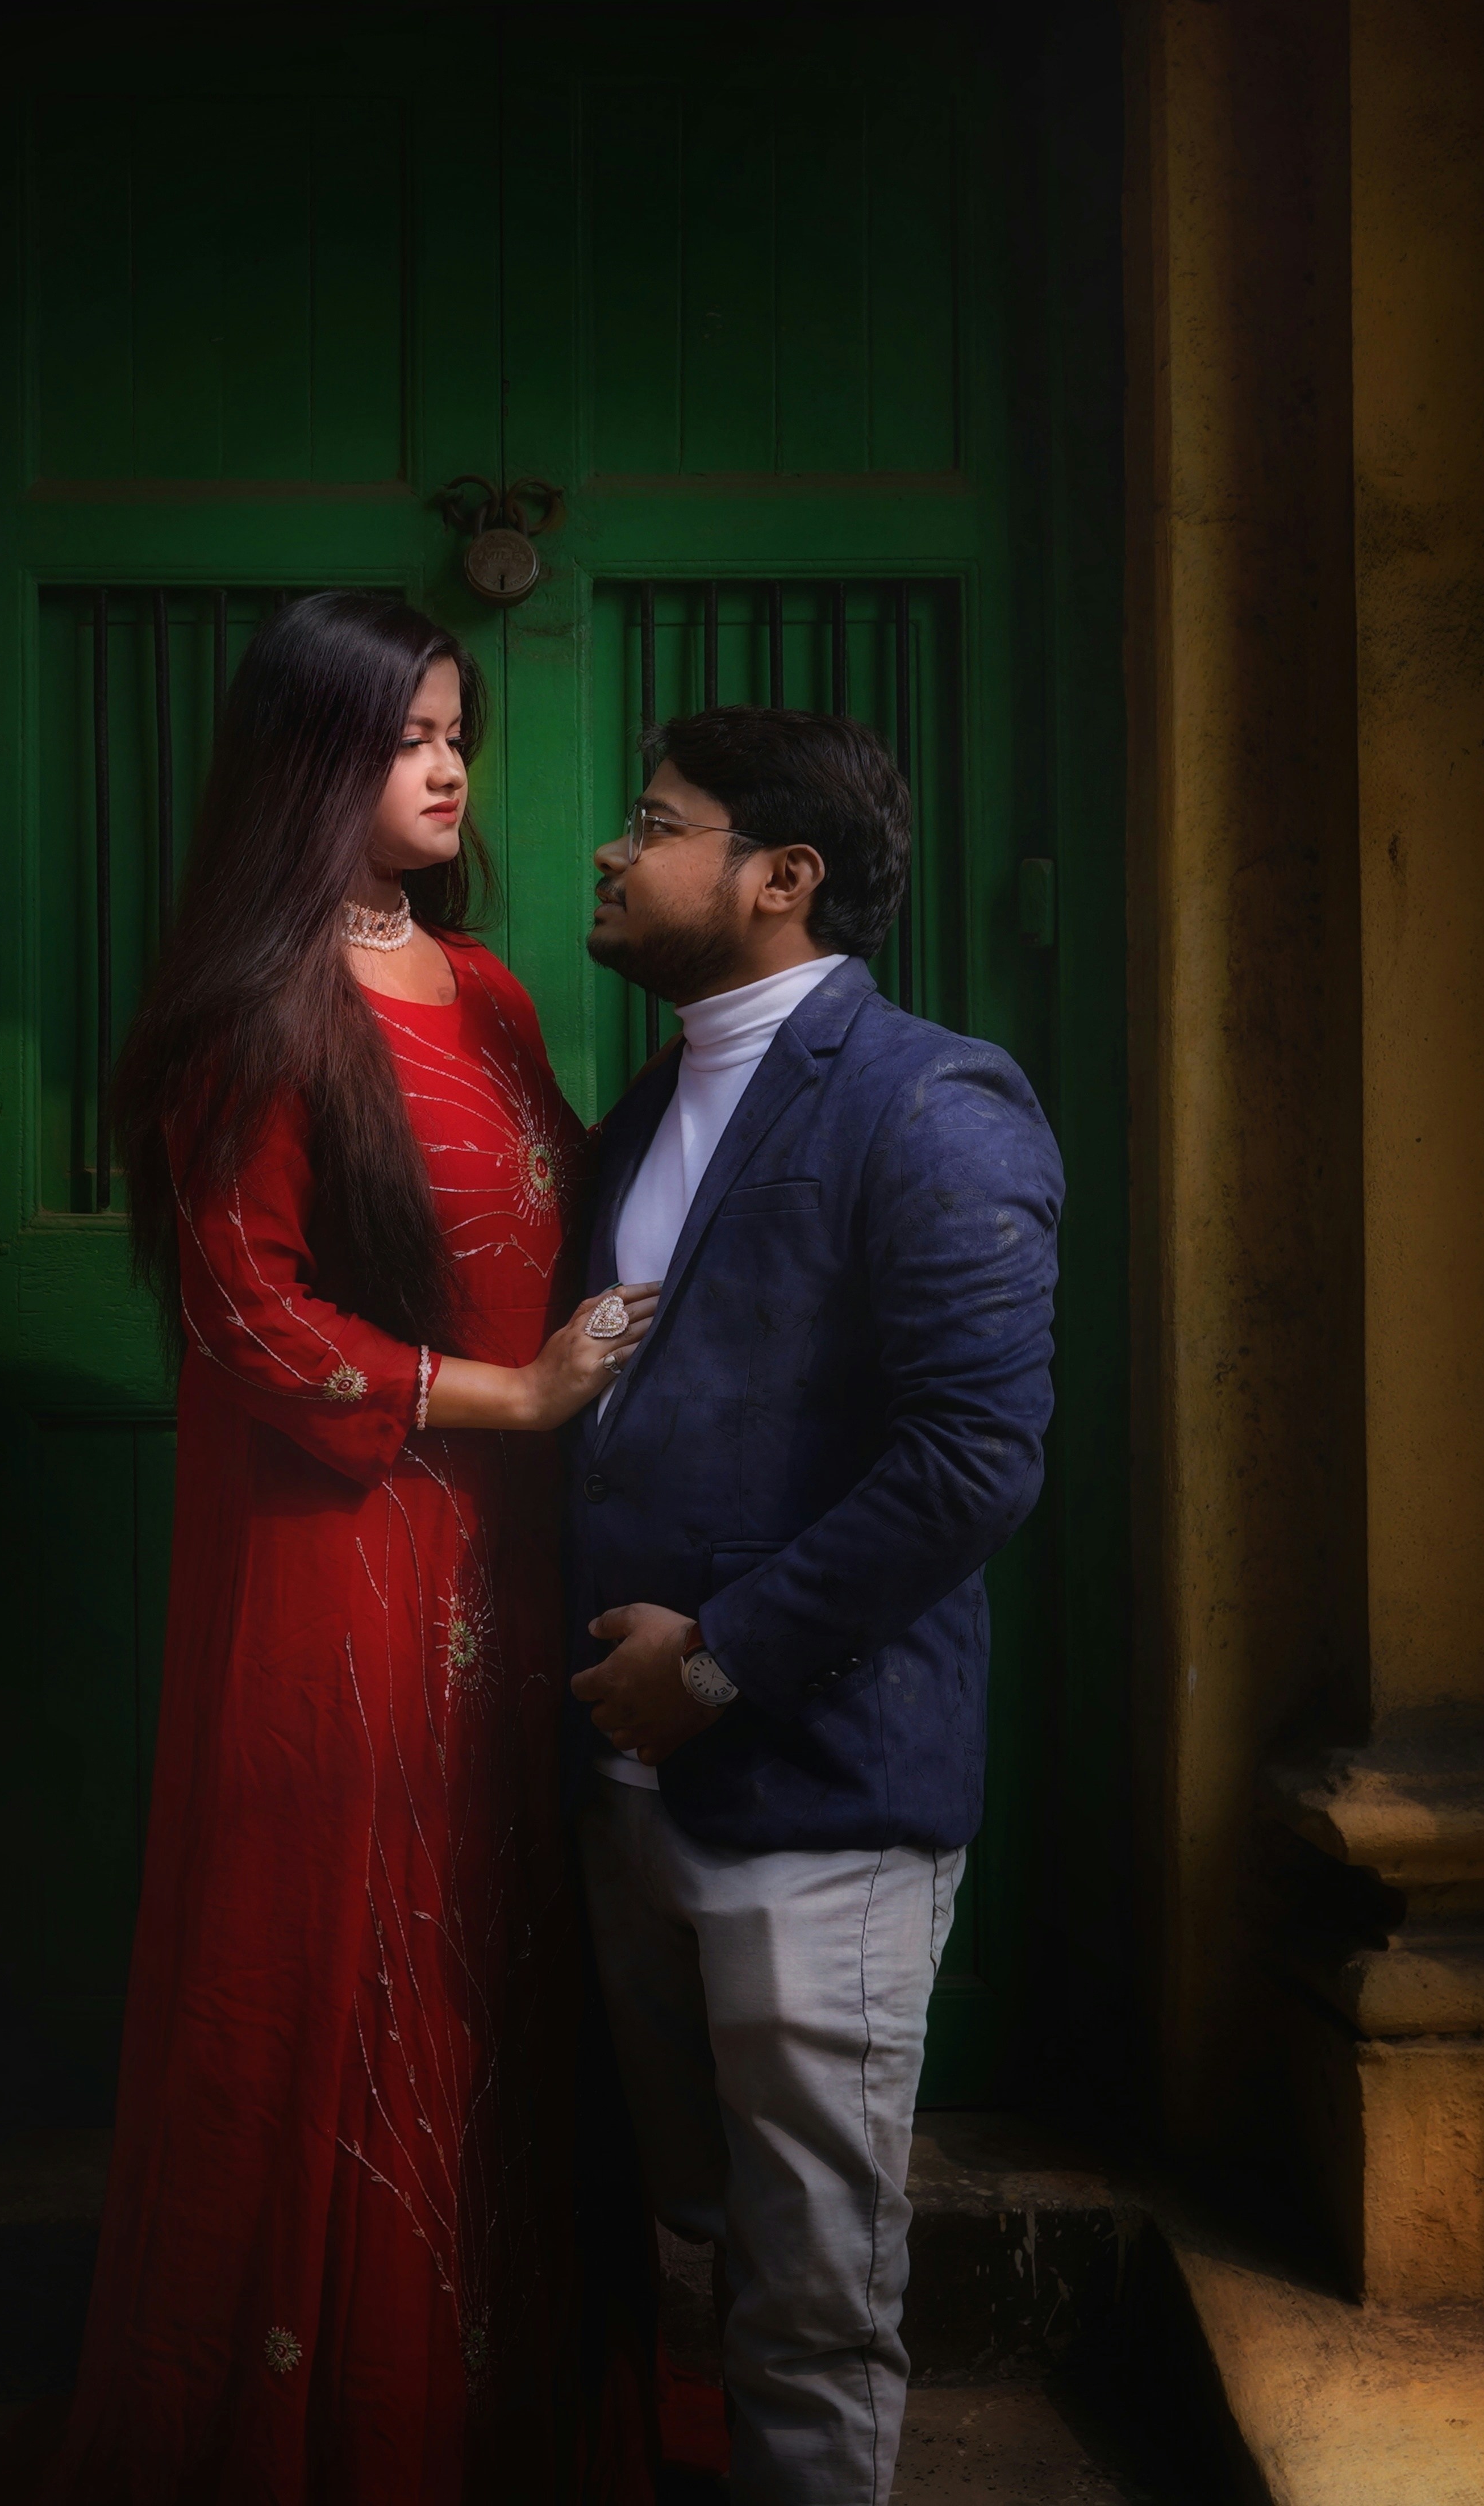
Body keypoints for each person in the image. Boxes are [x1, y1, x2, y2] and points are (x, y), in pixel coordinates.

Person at [49, 591, 657, 2506]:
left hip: (511, 1554)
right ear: (315, 762)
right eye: (408, 739)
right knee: (339, 1953)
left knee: (500, 1938)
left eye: (456, 732)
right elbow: (249, 1318)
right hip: (344, 1551)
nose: (450, 767)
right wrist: (518, 1397)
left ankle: (492, 2418)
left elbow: (574, 1214)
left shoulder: (488, 989)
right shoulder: (251, 1013)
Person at [568, 706, 1064, 2506]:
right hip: (623, 1787)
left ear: (782, 878)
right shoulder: (648, 1108)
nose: (612, 850)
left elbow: (975, 1460)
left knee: (811, 2299)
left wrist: (713, 1664)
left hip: (818, 1791)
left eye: (655, 823)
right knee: (688, 2243)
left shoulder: (929, 1097)